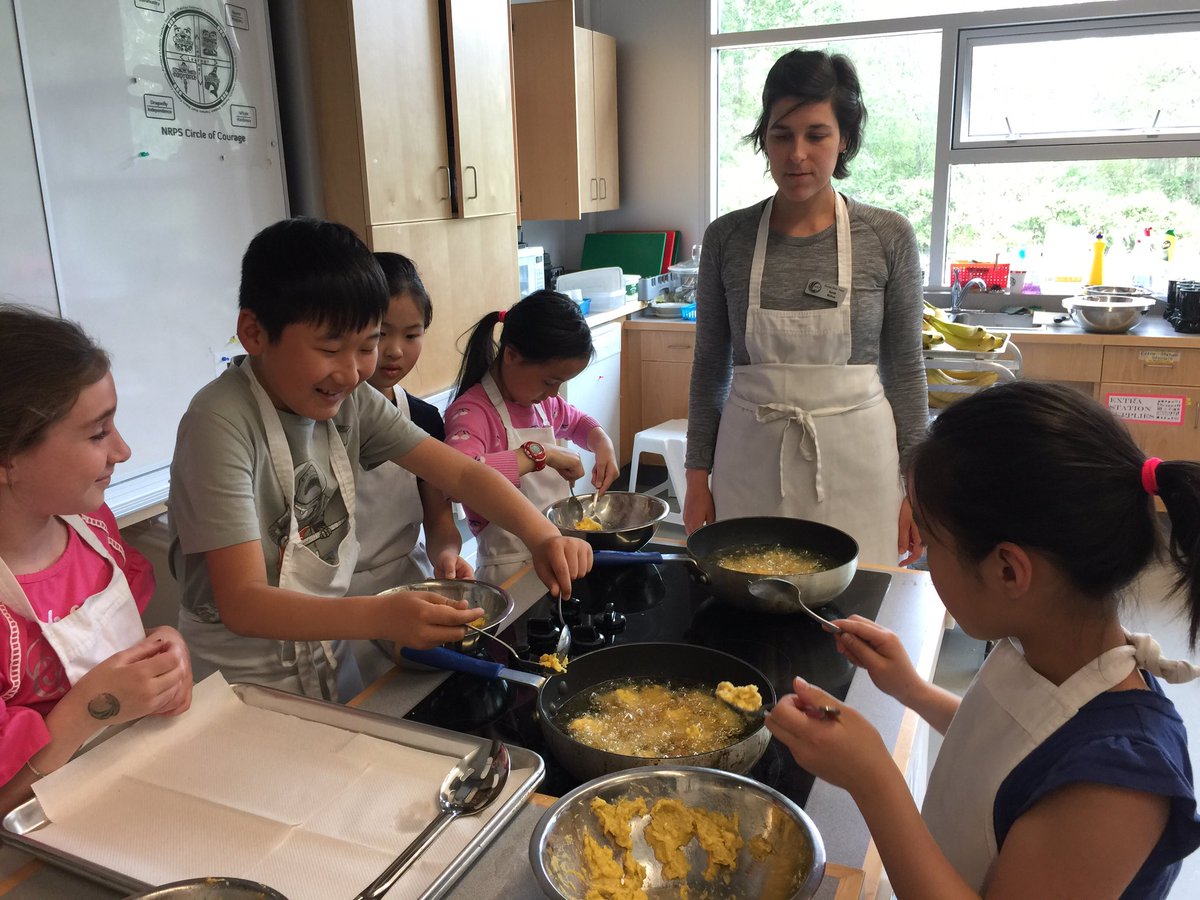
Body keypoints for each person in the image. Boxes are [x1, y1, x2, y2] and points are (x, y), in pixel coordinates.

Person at [767, 380, 1200, 898]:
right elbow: (1013, 754)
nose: (926, 559)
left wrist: (872, 777)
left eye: (929, 540)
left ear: (1009, 571)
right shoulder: (1045, 649)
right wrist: (912, 690)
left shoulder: (1119, 782)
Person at [168, 218, 591, 703]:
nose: (352, 372)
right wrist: (381, 614)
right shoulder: (217, 424)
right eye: (330, 348)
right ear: (254, 333)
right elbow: (243, 604)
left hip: (326, 649)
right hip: (240, 676)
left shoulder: (348, 401)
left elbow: (458, 472)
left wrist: (542, 535)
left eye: (366, 346)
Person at [683, 49, 927, 567]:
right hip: (748, 463)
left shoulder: (887, 236)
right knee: (749, 606)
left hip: (859, 465)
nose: (797, 153)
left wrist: (917, 487)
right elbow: (709, 367)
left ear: (844, 140)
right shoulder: (727, 238)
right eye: (781, 134)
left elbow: (905, 369)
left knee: (856, 614)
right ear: (764, 139)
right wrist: (696, 477)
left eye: (816, 134)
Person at [0, 305, 193, 814]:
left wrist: (159, 652)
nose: (124, 450)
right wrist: (92, 708)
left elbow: (119, 651)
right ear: (7, 461)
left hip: (137, 788)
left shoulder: (92, 527)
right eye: (97, 433)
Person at [347, 252, 472, 685]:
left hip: (408, 588)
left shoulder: (421, 418)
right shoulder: (323, 418)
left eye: (412, 334)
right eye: (380, 335)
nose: (395, 351)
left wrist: (447, 555)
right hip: (336, 606)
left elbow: (438, 518)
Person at [445, 289, 618, 589]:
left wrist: (602, 442)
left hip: (560, 558)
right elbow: (461, 478)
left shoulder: (543, 403)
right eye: (550, 381)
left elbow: (578, 422)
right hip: (507, 572)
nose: (554, 393)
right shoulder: (470, 413)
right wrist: (542, 454)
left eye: (561, 384)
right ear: (511, 355)